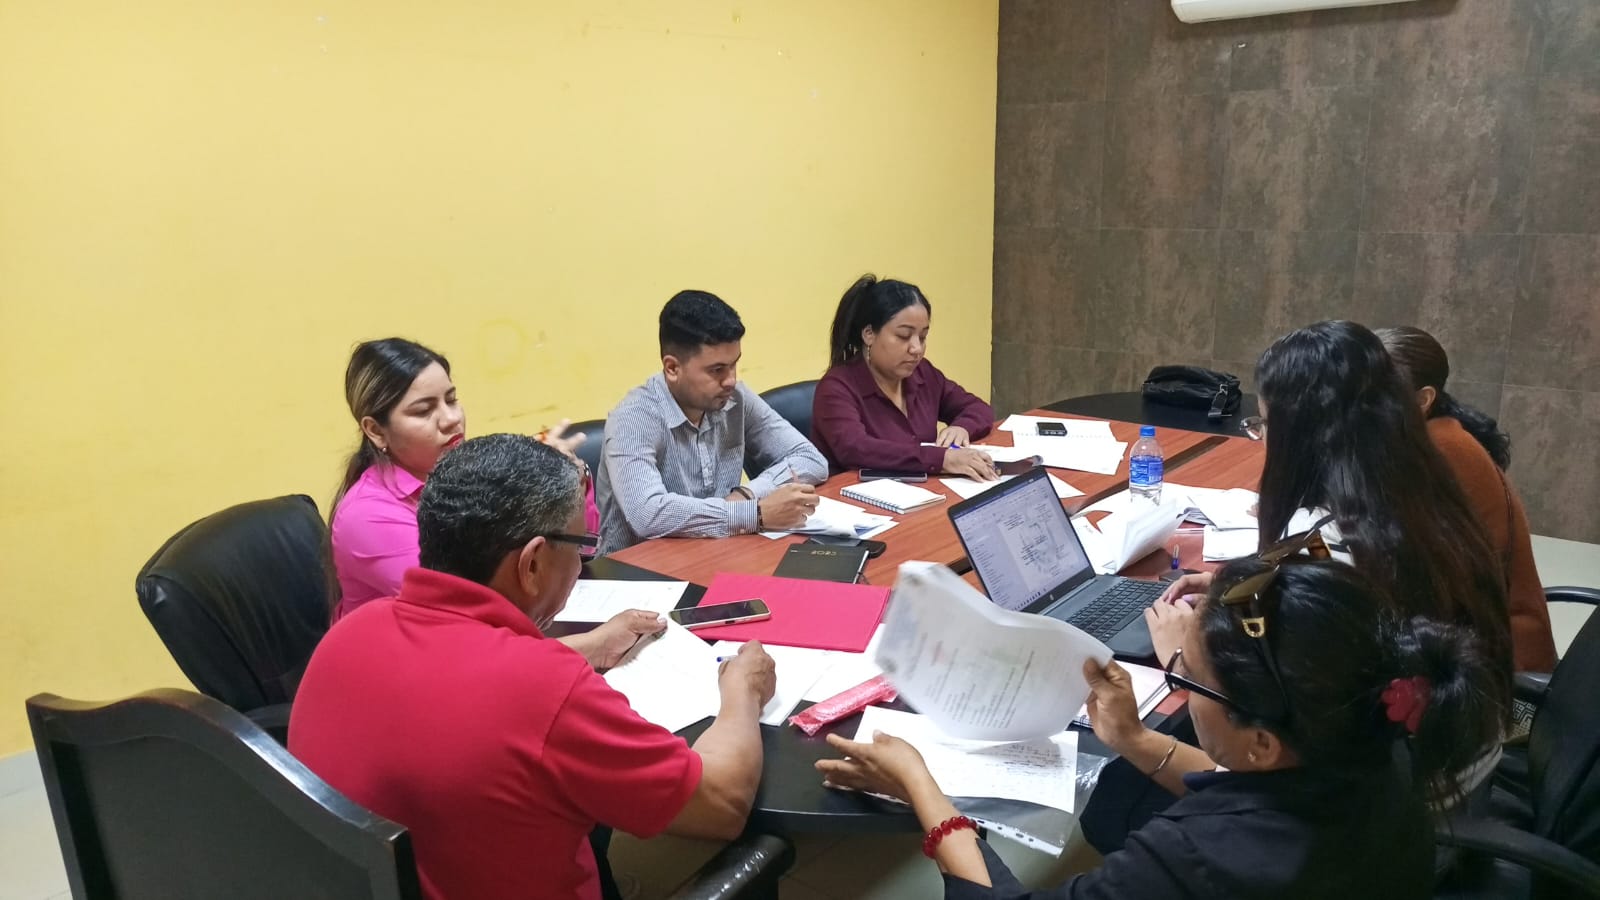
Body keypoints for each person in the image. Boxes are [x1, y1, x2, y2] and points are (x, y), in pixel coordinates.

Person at [818, 554, 1505, 898]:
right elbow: (1261, 791)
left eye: (1188, 679)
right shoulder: (1375, 735)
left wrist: (924, 790)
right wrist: (1136, 740)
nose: (1182, 692)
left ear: (1262, 742)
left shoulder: (1197, 855)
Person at [291, 434, 778, 900]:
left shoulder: (349, 635)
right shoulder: (547, 690)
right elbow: (722, 804)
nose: (582, 561)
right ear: (532, 565)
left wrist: (590, 645)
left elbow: (457, 687)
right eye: (581, 546)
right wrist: (743, 690)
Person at [1153, 322, 1513, 716]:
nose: (1264, 439)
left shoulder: (1323, 538)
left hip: (1383, 746)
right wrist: (1249, 589)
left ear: (1303, 435)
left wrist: (1181, 658)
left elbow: (1274, 703)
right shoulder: (1420, 489)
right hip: (1457, 724)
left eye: (1265, 424)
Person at [327, 337, 596, 620]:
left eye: (451, 400)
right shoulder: (366, 515)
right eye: (423, 411)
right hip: (421, 642)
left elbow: (581, 547)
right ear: (376, 431)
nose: (450, 419)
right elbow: (466, 608)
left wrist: (565, 483)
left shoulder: (468, 475)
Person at [596, 290, 830, 554]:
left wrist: (745, 496)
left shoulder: (736, 398)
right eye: (717, 370)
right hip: (639, 568)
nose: (731, 380)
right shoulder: (633, 418)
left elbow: (811, 459)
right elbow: (648, 514)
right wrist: (754, 513)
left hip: (716, 551)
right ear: (672, 368)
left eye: (734, 365)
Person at [1378, 326, 1556, 672]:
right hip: (1471, 631)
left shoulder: (1441, 451)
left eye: (1375, 394)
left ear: (1423, 400)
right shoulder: (1438, 434)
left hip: (1497, 658)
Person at [811, 274, 999, 479]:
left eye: (923, 337)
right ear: (869, 334)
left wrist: (962, 427)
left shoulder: (922, 373)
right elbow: (856, 449)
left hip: (924, 489)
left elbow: (977, 408)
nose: (916, 348)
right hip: (857, 493)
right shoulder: (836, 387)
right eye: (903, 336)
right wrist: (942, 459)